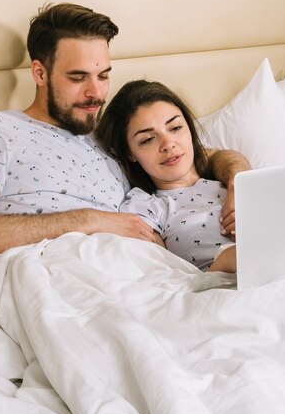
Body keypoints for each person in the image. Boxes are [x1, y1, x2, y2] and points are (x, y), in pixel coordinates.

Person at [0, 3, 248, 266]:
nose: (96, 93)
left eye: (103, 76)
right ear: (39, 73)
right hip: (46, 271)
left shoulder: (111, 139)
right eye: (78, 78)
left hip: (129, 272)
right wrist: (90, 221)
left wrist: (240, 181)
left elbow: (198, 155)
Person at [96, 79, 241, 273]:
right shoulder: (147, 207)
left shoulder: (229, 179)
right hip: (223, 283)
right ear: (130, 153)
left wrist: (239, 189)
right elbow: (157, 274)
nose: (168, 144)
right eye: (148, 139)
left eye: (175, 128)